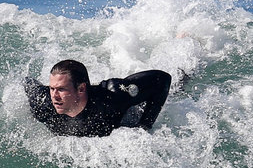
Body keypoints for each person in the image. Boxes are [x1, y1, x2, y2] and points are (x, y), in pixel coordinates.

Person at [24, 59, 171, 137]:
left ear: (81, 89)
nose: (54, 96)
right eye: (52, 88)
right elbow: (28, 83)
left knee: (178, 87)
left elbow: (162, 79)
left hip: (130, 113)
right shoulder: (43, 103)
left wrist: (144, 126)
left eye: (61, 89)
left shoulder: (111, 96)